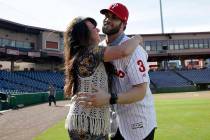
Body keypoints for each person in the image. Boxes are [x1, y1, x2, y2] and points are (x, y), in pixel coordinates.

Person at [76, 3, 157, 140]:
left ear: (123, 24)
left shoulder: (135, 50)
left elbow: (141, 91)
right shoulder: (98, 48)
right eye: (106, 15)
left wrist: (109, 98)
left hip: (138, 122)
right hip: (114, 121)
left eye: (114, 17)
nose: (108, 19)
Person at [63, 16, 143, 140]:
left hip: (88, 120)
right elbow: (124, 50)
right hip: (87, 121)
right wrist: (137, 38)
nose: (98, 29)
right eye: (94, 28)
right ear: (85, 35)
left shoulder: (83, 53)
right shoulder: (90, 52)